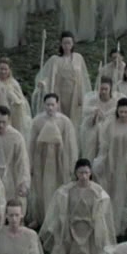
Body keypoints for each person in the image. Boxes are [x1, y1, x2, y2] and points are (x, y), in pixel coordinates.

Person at [25, 93, 78, 228]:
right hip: (41, 160)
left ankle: (58, 218)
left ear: (57, 105)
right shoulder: (37, 121)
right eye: (48, 105)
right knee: (40, 189)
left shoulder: (64, 122)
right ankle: (40, 218)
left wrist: (71, 164)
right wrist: (30, 164)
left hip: (59, 161)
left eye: (52, 105)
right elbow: (31, 143)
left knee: (58, 187)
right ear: (44, 105)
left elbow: (70, 144)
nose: (50, 108)